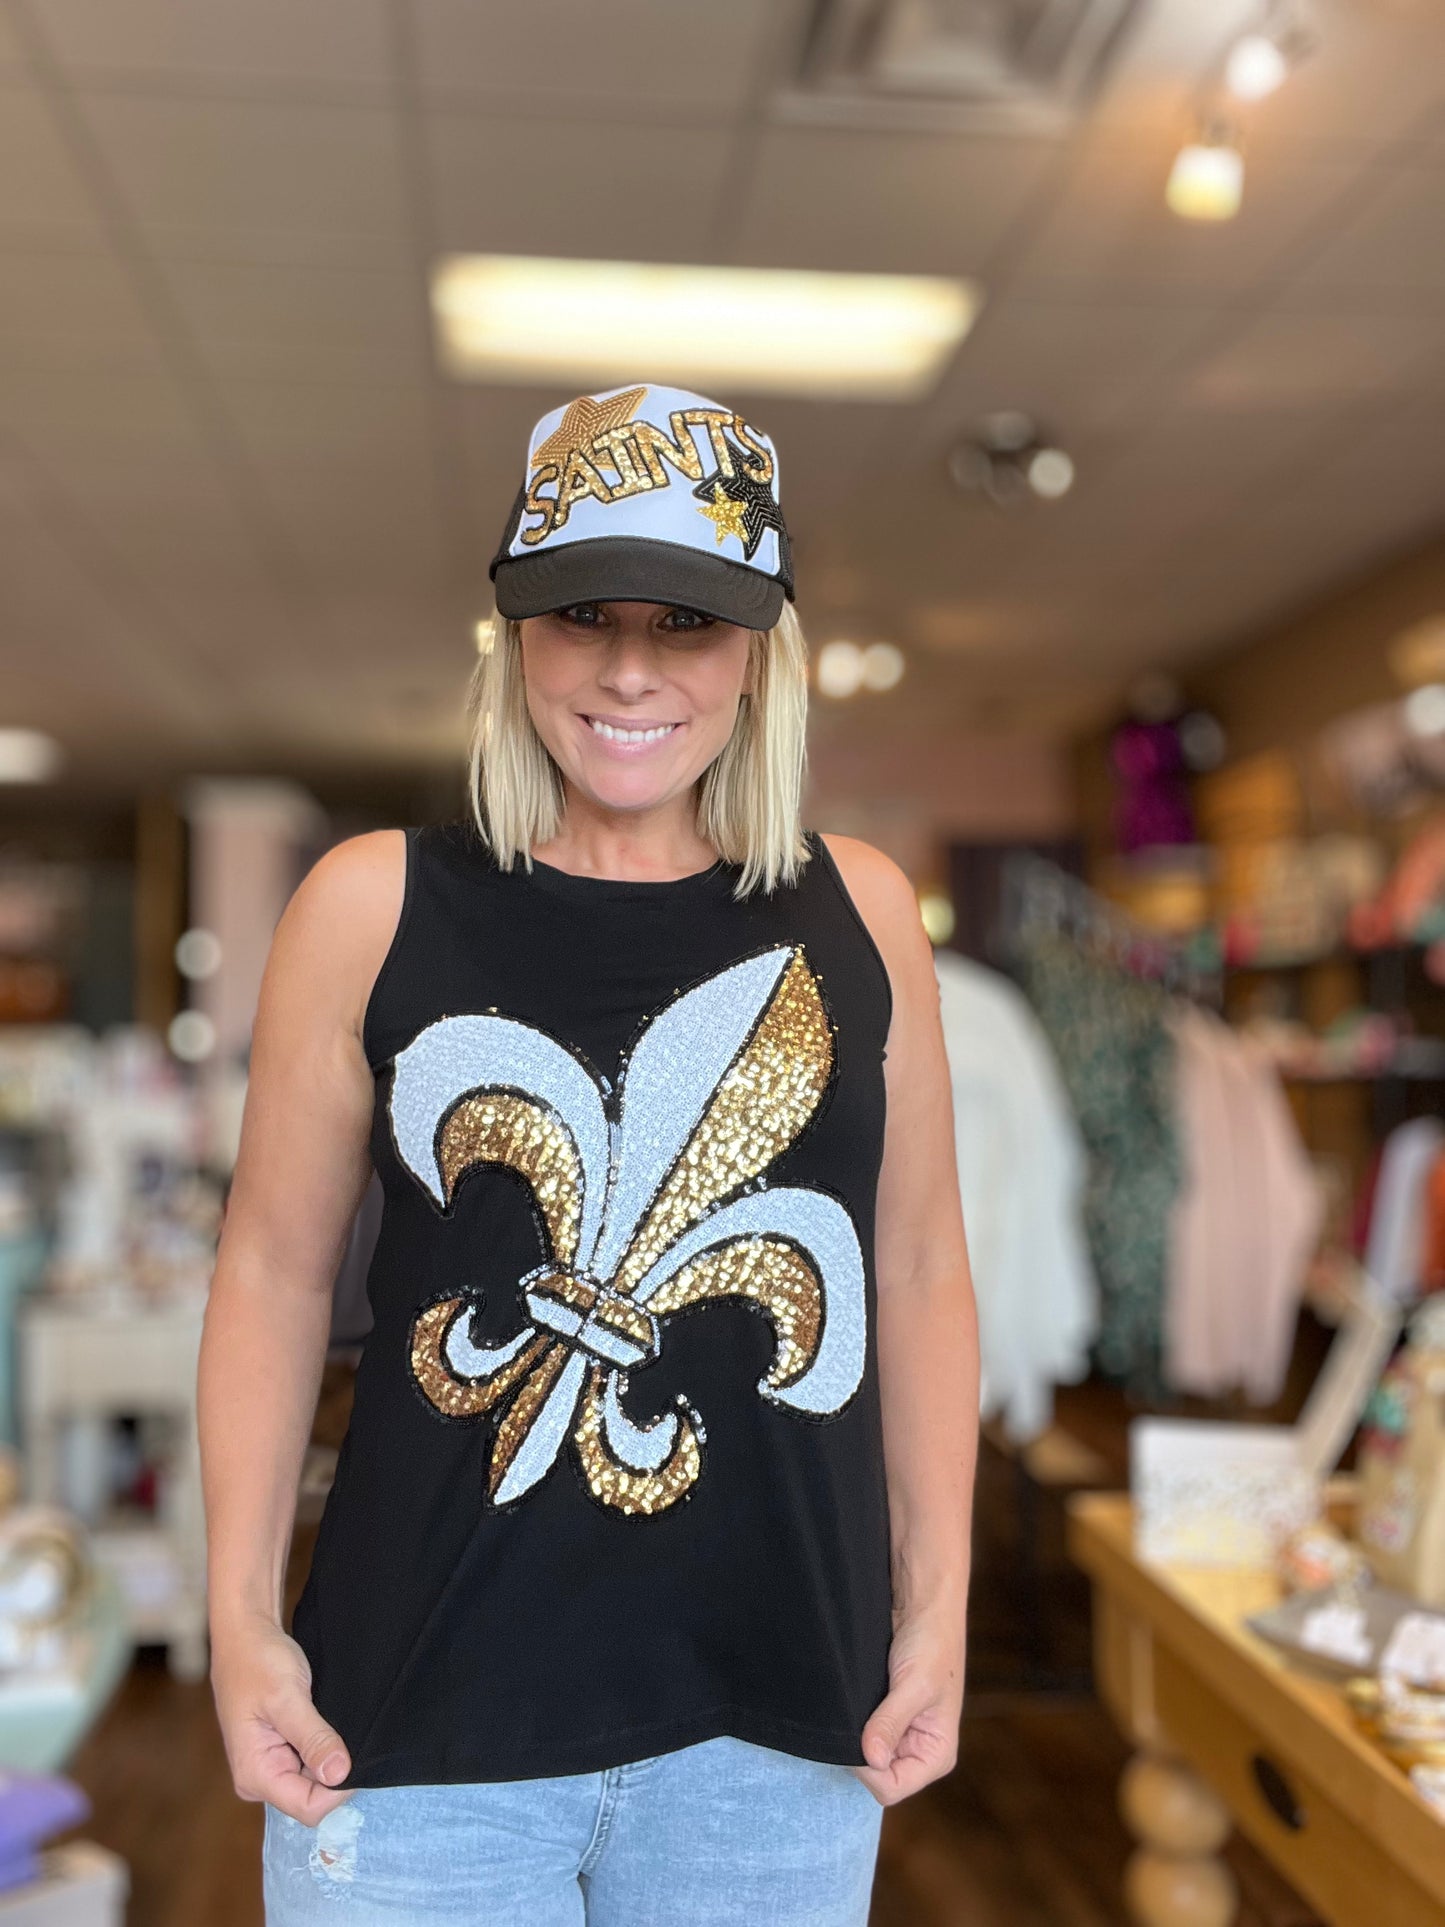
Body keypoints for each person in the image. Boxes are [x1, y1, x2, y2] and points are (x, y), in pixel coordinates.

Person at [200, 381, 980, 1925]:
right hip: (413, 1719)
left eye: (686, 623)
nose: (630, 670)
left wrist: (939, 1601)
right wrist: (233, 1618)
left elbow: (913, 1267)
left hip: (774, 1710)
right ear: (513, 633)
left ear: (761, 649)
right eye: (581, 615)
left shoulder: (862, 912)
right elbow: (276, 1273)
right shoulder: (372, 904)